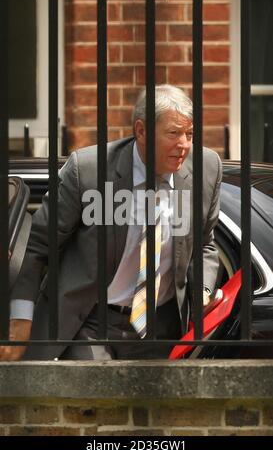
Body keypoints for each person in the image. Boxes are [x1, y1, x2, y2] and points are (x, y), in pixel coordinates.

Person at [0, 84, 222, 361]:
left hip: (161, 327)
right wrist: (20, 320)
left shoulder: (207, 169)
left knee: (150, 406)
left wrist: (202, 289)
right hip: (91, 321)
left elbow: (205, 245)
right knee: (91, 400)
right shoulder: (89, 171)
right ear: (141, 131)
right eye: (174, 133)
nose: (185, 145)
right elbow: (38, 245)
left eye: (190, 134)